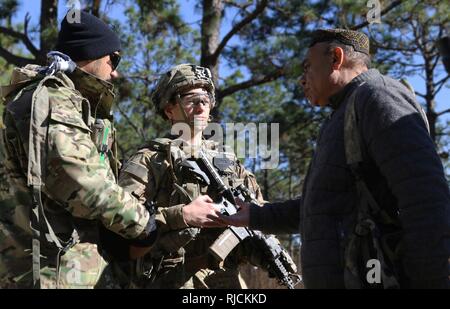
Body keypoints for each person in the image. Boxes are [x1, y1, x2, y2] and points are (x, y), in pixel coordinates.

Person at [219, 28, 450, 289]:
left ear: (336, 58)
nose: (302, 79)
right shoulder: (344, 113)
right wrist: (255, 215)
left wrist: (431, 280)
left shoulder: (378, 97)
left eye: (307, 67)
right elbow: (322, 207)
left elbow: (425, 197)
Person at [0, 10, 161, 289]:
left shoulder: (54, 98)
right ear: (92, 54)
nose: (116, 71)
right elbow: (81, 180)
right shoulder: (53, 98)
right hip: (55, 272)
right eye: (114, 59)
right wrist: (142, 224)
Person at [101, 63, 266, 289]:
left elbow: (260, 211)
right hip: (171, 280)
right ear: (169, 109)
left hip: (227, 281)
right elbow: (118, 224)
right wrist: (183, 215)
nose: (200, 107)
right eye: (191, 99)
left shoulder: (229, 161)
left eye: (205, 99)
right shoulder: (150, 159)